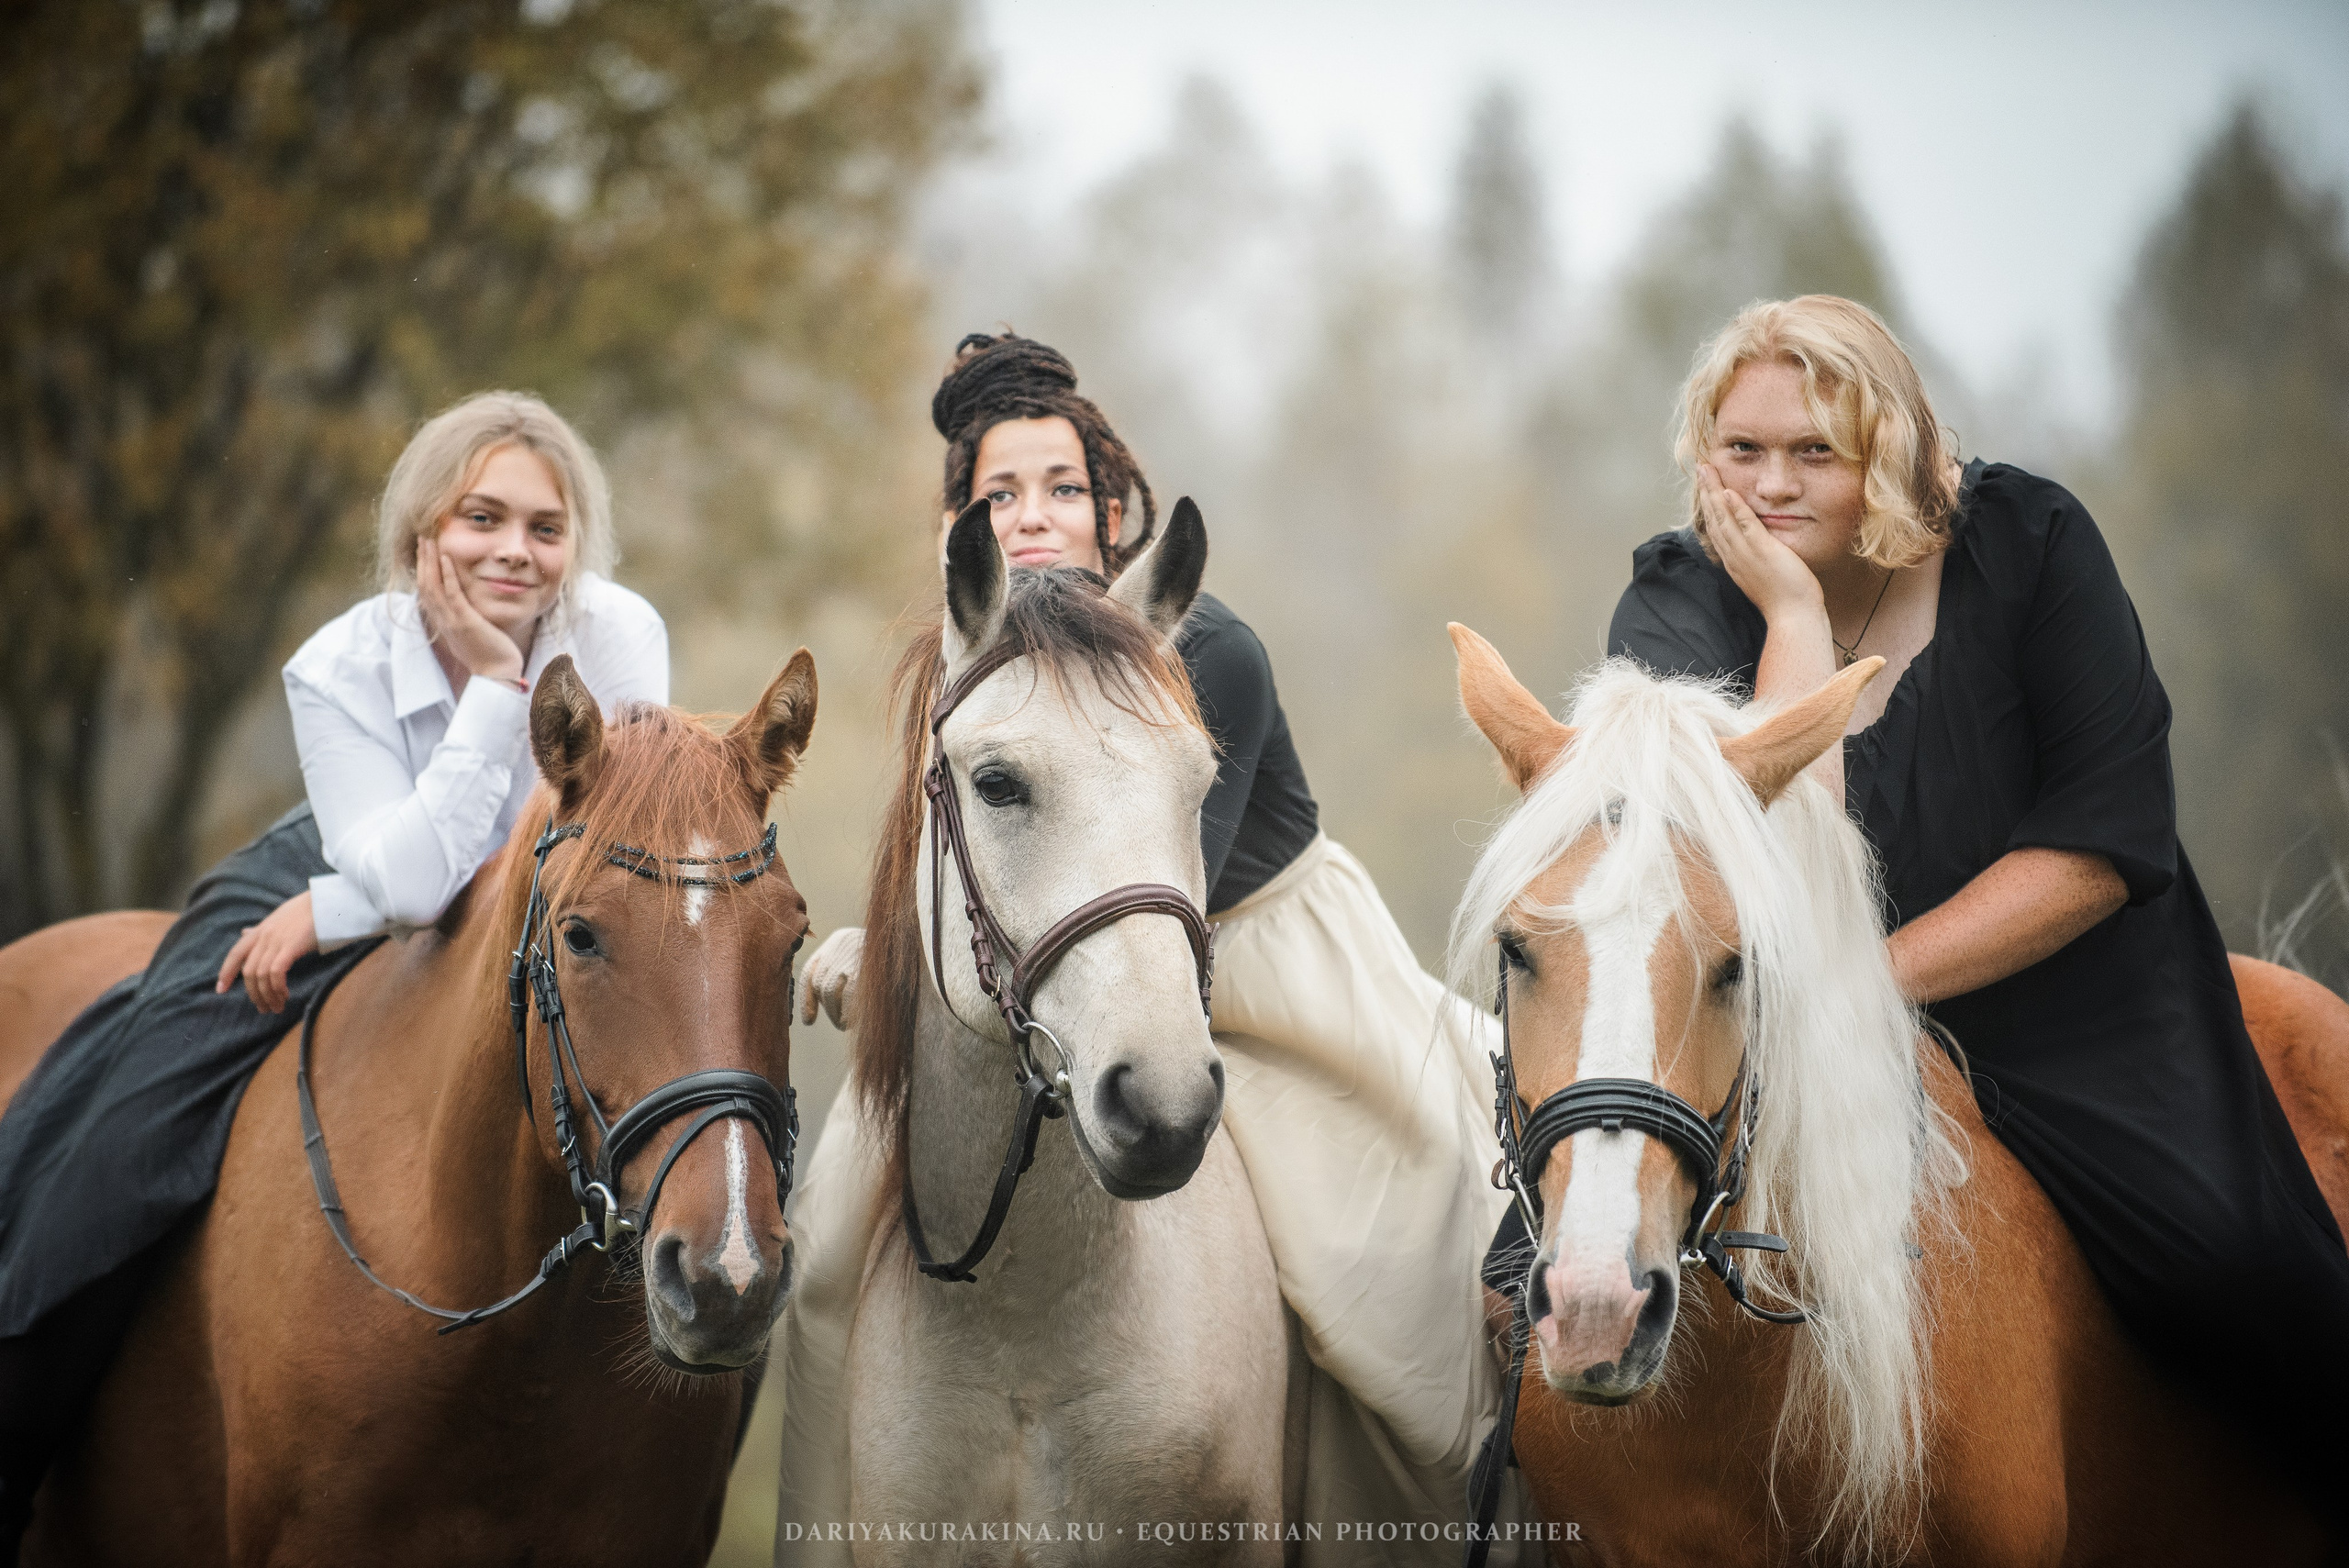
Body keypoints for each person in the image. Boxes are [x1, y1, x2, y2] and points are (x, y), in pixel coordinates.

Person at [776, 334, 1531, 1557]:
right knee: (821, 1245)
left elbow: (1161, 877)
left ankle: (1476, 1513)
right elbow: (967, 869)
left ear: (1112, 506)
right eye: (999, 494)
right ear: (960, 529)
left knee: (1381, 1264)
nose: (1034, 515)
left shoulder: (1200, 646)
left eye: (1062, 488)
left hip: (1249, 961)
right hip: (1058, 985)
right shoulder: (969, 666)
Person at [1603, 294, 2349, 1503]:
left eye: (1815, 452)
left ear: (1890, 447)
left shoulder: (2036, 543)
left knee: (2241, 1268)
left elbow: (2104, 844)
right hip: (1772, 1031)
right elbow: (1772, 863)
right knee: (1532, 1282)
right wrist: (1794, 616)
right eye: (1742, 449)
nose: (1772, 485)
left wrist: (1867, 984)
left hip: (2077, 1006)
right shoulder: (1679, 596)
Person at [0, 391, 669, 1547]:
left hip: (516, 894)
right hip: (339, 857)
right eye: (482, 517)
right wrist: (497, 685)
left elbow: (589, 843)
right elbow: (410, 880)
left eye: (545, 528)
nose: (514, 548)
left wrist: (336, 909)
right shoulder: (338, 665)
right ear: (423, 532)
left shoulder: (619, 635)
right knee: (129, 1125)